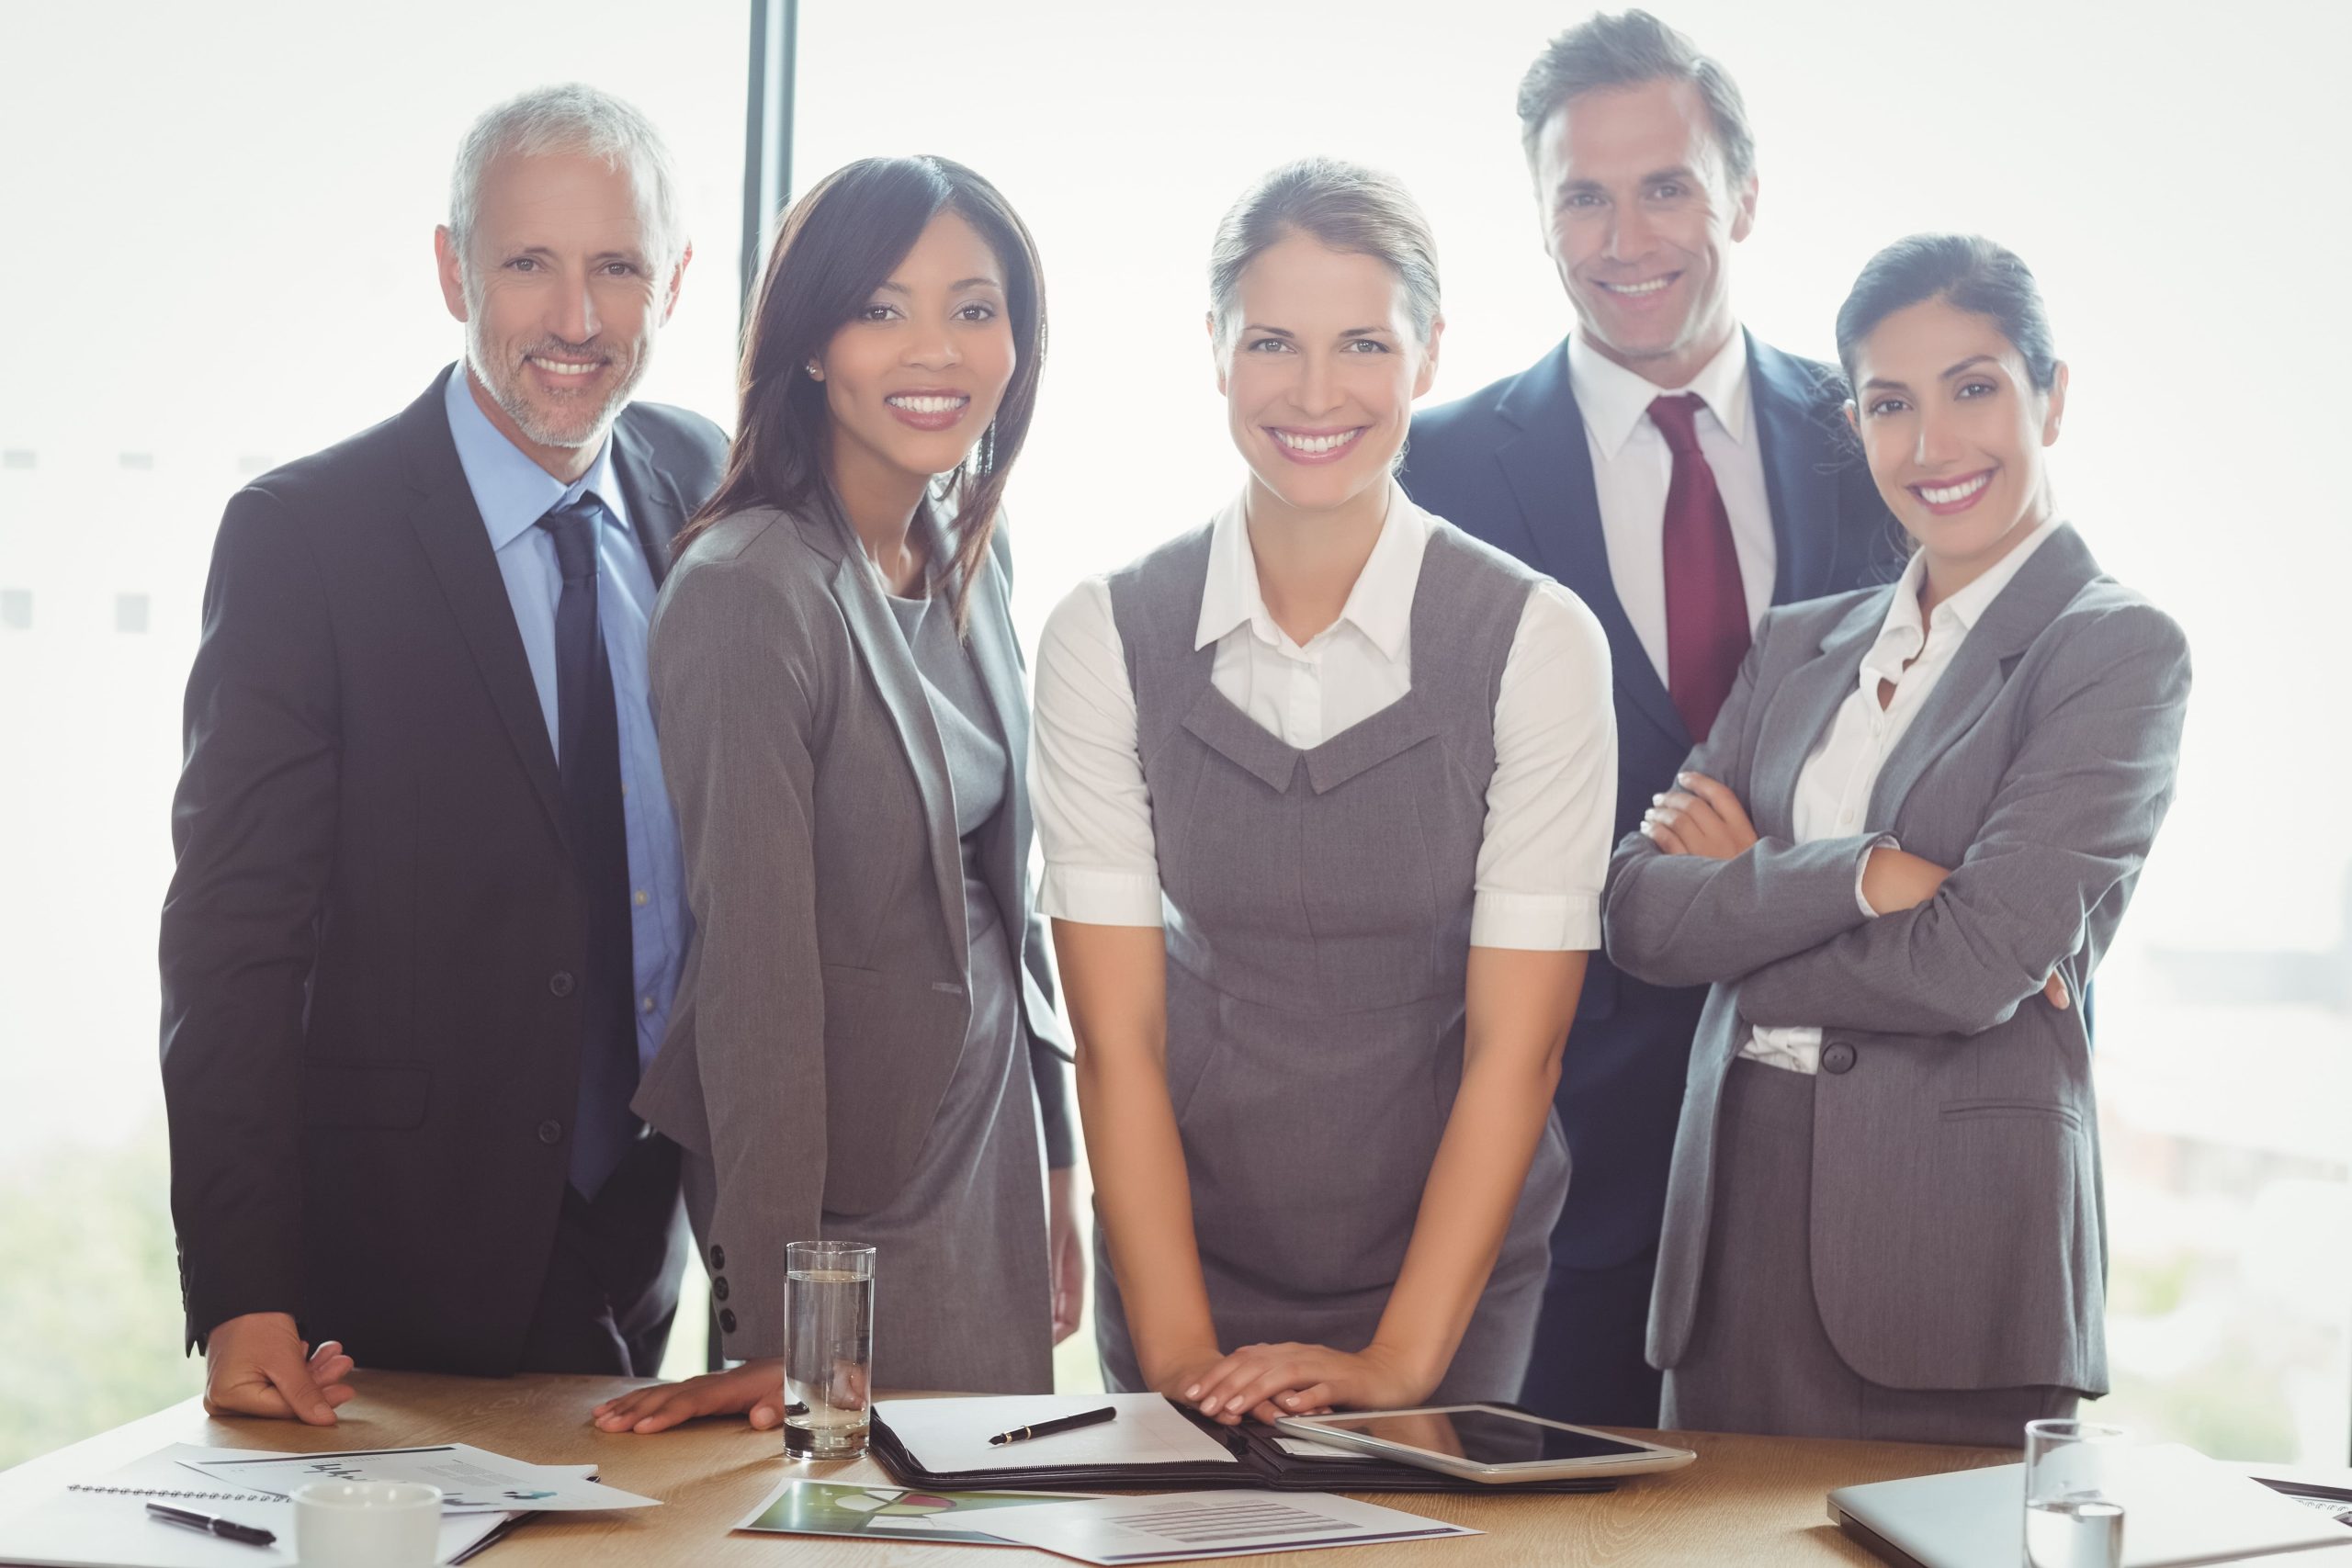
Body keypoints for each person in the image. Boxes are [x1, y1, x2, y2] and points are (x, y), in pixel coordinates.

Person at [160, 85, 727, 1421]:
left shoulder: (705, 484)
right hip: (392, 1264)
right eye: (529, 263)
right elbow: (233, 933)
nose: (576, 320)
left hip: (643, 1238)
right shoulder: (307, 535)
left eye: (618, 267)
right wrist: (244, 1288)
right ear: (451, 266)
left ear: (676, 280)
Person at [1033, 158, 1615, 1426]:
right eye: (1271, 343)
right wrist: (1186, 1363)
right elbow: (1116, 1041)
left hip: (1443, 1284)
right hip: (1188, 1256)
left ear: (1429, 353)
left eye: (1363, 342)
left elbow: (1519, 1050)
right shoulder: (1104, 635)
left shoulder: (1537, 642)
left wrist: (1401, 1364)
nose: (1312, 392)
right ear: (1215, 351)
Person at [1396, 9, 1897, 1427]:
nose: (1627, 235)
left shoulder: (1879, 446)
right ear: (1540, 215)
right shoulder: (1430, 476)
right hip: (1548, 1162)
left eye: (1667, 185)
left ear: (1742, 194)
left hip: (1842, 1139)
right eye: (1585, 194)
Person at [1606, 234, 2188, 1444]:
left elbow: (1978, 962)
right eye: (1890, 404)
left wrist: (1744, 902)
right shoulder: (1796, 647)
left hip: (1952, 1259)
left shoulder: (2114, 651)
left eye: (1973, 388)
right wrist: (1864, 875)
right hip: (1729, 1255)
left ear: (2052, 394)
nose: (1932, 446)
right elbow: (1638, 916)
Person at [587, 155, 1081, 1437]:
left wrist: (1062, 1156)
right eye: (882, 307)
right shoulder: (750, 590)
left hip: (988, 1156)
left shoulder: (972, 542)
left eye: (976, 309)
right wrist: (782, 1312)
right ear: (809, 342)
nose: (937, 349)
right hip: (845, 1215)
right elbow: (749, 973)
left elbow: (1004, 888)